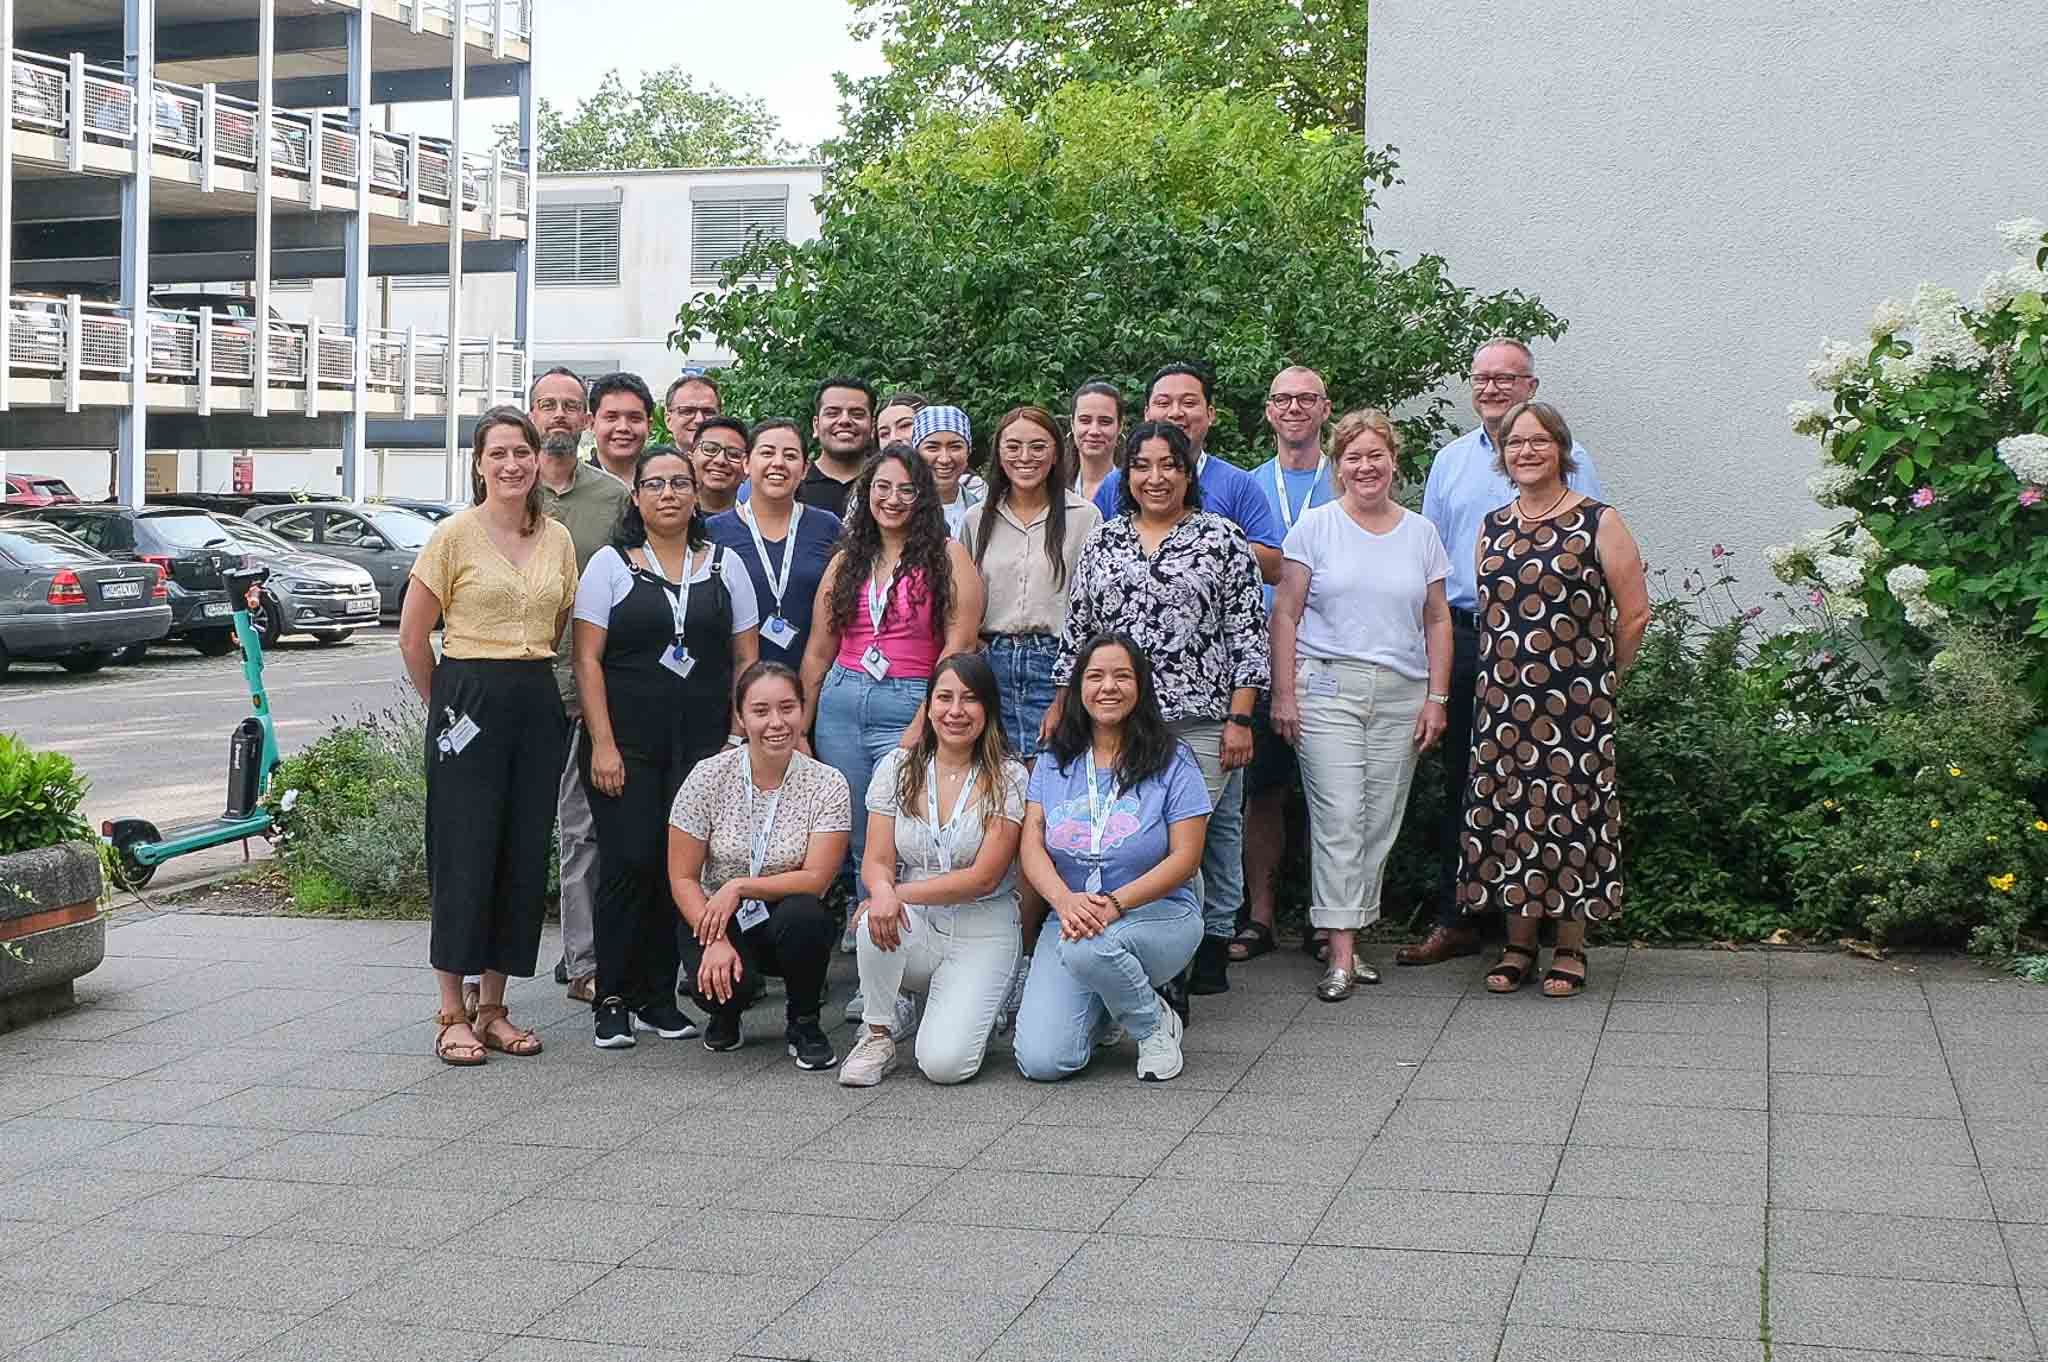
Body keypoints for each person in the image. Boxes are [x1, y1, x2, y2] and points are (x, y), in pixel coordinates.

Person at [1404, 339, 1607, 968]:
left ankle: (1548, 927)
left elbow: (1596, 553)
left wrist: (1603, 668)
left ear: (1531, 386)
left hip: (1550, 653)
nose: (1491, 389)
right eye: (1481, 379)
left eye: (1505, 379)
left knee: (1552, 785)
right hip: (1467, 637)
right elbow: (1430, 557)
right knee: (1468, 783)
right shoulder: (1450, 461)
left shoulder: (1574, 463)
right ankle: (1461, 917)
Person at [1058, 420, 1267, 998]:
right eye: (1143, 465)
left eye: (1168, 465)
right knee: (1143, 839)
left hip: (1201, 718)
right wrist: (1063, 704)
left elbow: (1247, 634)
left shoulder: (1221, 539)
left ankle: (1202, 948)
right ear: (1127, 474)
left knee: (1197, 840)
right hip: (1117, 720)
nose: (1155, 477)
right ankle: (1163, 958)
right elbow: (1080, 629)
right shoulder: (1105, 540)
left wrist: (1241, 717)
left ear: (1187, 471)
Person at [399, 406, 578, 1066]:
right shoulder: (452, 537)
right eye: (497, 452)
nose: (511, 464)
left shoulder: (557, 538)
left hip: (533, 696)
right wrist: (443, 703)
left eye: (521, 452)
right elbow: (414, 637)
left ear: (537, 461)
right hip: (466, 697)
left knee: (522, 850)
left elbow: (558, 623)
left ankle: (496, 1006)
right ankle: (452, 1008)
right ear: (479, 463)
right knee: (463, 848)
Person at [573, 446, 760, 1049]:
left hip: (704, 749)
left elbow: (746, 659)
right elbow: (587, 659)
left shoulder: (724, 564)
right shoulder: (609, 564)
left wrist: (739, 734)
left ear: (695, 492)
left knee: (679, 868)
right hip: (625, 744)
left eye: (680, 483)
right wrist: (602, 742)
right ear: (637, 496)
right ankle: (613, 997)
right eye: (656, 484)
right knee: (628, 862)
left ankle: (657, 996)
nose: (670, 494)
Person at [1463, 401, 1648, 997]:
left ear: (1562, 449)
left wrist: (1601, 678)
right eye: (1515, 443)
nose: (1526, 451)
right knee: (1514, 815)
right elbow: (1490, 617)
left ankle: (1569, 947)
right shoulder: (1492, 524)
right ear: (1503, 454)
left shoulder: (1599, 520)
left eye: (1538, 441)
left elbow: (1635, 613)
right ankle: (1518, 945)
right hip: (1503, 704)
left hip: (1574, 706)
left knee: (1569, 817)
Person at [1270, 409, 1451, 1000]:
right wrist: (1286, 693)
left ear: (1393, 460)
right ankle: (1341, 954)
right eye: (1353, 457)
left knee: (1379, 820)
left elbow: (1437, 618)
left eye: (1376, 455)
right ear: (1337, 464)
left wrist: (1437, 697)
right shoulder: (1314, 528)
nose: (1365, 467)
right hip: (1327, 688)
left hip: (1402, 692)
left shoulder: (1421, 532)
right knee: (1341, 816)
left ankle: (1344, 926)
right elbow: (1287, 614)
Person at [801, 447, 985, 973]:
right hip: (842, 699)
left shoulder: (947, 556)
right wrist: (802, 724)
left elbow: (960, 643)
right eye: (882, 487)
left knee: (901, 835)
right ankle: (875, 967)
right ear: (866, 495)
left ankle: (915, 961)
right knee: (861, 838)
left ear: (924, 497)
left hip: (910, 698)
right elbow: (819, 647)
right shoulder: (847, 560)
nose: (893, 499)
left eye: (906, 489)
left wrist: (924, 717)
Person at [1013, 634, 1210, 1083]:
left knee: (1087, 946)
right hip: (1072, 916)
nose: (1108, 687)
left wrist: (1116, 903)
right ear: (1079, 686)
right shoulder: (1053, 761)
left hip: (1156, 913)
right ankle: (1110, 1002)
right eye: (1095, 676)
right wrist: (1064, 902)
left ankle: (1152, 1025)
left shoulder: (1173, 760)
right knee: (1044, 1062)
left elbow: (1187, 858)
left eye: (1122, 676)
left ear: (1140, 687)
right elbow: (1032, 845)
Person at [964, 406, 1102, 1027]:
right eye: (1013, 446)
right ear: (999, 452)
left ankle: (1036, 959)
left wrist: (1065, 693)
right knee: (996, 812)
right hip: (991, 662)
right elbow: (964, 608)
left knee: (1042, 816)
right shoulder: (975, 519)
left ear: (1057, 451)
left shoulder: (1083, 517)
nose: (1025, 457)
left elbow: (1090, 610)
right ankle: (994, 963)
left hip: (1055, 666)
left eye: (1038, 446)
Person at [839, 654, 1029, 1087]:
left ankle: (969, 1003)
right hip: (917, 924)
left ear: (989, 710)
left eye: (970, 699)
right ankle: (878, 1032)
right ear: (927, 706)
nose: (955, 711)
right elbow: (878, 859)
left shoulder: (1009, 776)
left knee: (945, 1066)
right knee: (873, 919)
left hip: (983, 926)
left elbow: (984, 877)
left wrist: (894, 893)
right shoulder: (897, 768)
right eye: (944, 698)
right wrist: (882, 891)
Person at [668, 662, 851, 1067]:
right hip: (717, 915)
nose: (776, 722)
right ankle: (726, 1013)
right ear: (740, 716)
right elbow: (681, 876)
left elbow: (817, 878)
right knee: (723, 978)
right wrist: (713, 939)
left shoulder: (827, 783)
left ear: (803, 711)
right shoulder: (707, 776)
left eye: (787, 708)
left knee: (806, 914)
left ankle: (804, 1021)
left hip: (785, 913)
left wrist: (740, 887)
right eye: (761, 710)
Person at [532, 367, 630, 1006]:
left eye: (572, 406)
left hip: (591, 692)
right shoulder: (508, 487)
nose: (560, 416)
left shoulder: (614, 498)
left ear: (587, 419)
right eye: (549, 405)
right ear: (531, 412)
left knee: (584, 833)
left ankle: (586, 961)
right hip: (521, 686)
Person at [1236, 366, 1339, 966]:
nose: (1294, 408)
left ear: (1325, 409)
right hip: (1262, 658)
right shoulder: (1252, 486)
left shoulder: (1348, 477)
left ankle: (1329, 917)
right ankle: (1261, 914)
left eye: (1306, 399)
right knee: (1264, 792)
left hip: (1331, 657)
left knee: (1331, 793)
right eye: (1283, 399)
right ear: (1269, 412)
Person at [1089, 362, 1283, 583]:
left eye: (1189, 403)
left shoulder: (1239, 484)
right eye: (1163, 403)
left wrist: (1202, 548)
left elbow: (1273, 568)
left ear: (1211, 414)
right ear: (1147, 413)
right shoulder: (1116, 484)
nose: (1175, 413)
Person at [707, 419, 843, 670]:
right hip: (732, 680)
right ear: (746, 463)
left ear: (804, 469)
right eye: (767, 452)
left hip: (811, 679)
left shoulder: (829, 527)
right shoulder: (713, 532)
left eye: (790, 455)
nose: (778, 463)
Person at [797, 376, 877, 512]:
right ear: (816, 426)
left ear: (873, 427)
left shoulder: (886, 484)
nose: (844, 420)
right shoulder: (794, 483)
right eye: (832, 413)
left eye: (857, 414)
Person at [913, 405, 985, 536]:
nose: (944, 459)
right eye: (932, 448)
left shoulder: (983, 512)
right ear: (916, 452)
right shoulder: (899, 511)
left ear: (968, 452)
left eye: (955, 447)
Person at [589, 372, 655, 485]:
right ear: (591, 423)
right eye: (611, 418)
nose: (623, 427)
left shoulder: (664, 487)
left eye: (634, 418)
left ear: (649, 426)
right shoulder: (574, 488)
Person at [1068, 379, 1123, 503]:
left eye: (1105, 422)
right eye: (1085, 420)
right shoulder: (1053, 490)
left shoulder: (1134, 490)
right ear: (1072, 424)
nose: (1094, 431)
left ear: (1120, 426)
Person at [690, 416, 748, 517]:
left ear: (747, 469)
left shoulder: (756, 526)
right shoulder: (663, 522)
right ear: (690, 460)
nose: (720, 460)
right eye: (710, 449)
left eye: (734, 454)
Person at [664, 372, 722, 449]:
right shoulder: (654, 461)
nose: (699, 420)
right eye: (688, 411)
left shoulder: (739, 459)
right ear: (669, 421)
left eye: (708, 412)